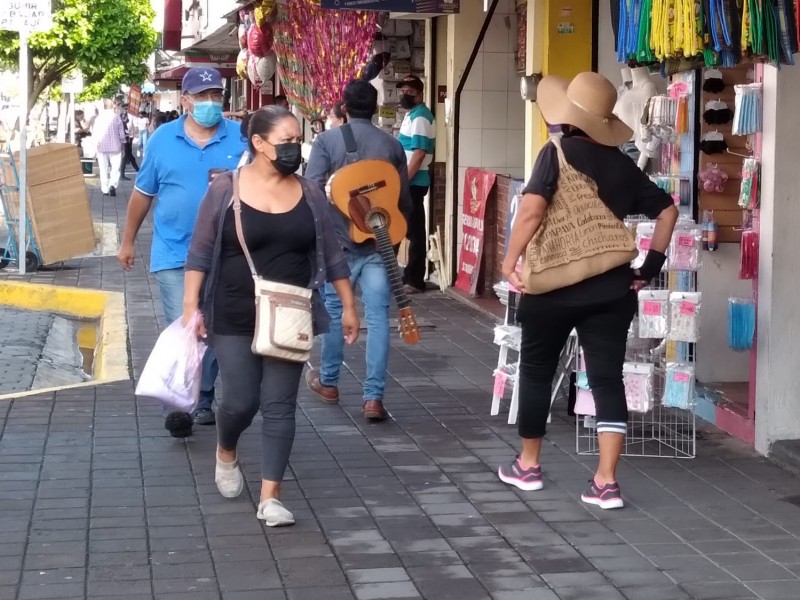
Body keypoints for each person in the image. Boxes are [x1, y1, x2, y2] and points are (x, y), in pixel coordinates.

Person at [499, 72, 679, 509]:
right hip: (612, 289)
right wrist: (649, 268)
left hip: (551, 289)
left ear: (567, 115)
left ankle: (529, 465)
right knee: (606, 380)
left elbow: (532, 211)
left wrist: (510, 261)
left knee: (538, 370)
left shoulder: (555, 152)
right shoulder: (621, 163)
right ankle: (606, 481)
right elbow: (668, 211)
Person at [183, 106, 359, 525]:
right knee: (240, 401)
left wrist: (348, 304)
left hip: (292, 314)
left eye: (298, 140)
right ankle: (227, 449)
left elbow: (332, 254)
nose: (294, 148)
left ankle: (271, 497)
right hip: (233, 311)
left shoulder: (311, 193)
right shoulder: (225, 189)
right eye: (285, 141)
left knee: (280, 404)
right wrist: (192, 306)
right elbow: (201, 251)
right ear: (258, 143)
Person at [118, 68, 247, 437]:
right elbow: (144, 193)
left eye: (216, 96)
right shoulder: (162, 139)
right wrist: (127, 240)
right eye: (202, 96)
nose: (210, 103)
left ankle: (202, 395)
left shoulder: (239, 139)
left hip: (230, 253)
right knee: (187, 325)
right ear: (186, 101)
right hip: (176, 252)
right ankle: (178, 405)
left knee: (217, 327)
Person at [304, 79, 412, 422]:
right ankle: (373, 398)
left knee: (335, 310)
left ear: (344, 108)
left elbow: (312, 190)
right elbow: (402, 200)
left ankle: (330, 381)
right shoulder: (391, 145)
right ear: (377, 108)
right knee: (379, 317)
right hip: (380, 244)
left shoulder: (327, 141)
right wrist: (388, 234)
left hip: (338, 242)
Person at [396, 75, 435, 294]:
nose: (405, 96)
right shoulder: (412, 115)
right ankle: (410, 275)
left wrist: (403, 181)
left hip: (414, 181)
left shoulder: (421, 117)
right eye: (402, 92)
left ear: (420, 94)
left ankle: (415, 279)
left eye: (410, 92)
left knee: (414, 230)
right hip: (411, 181)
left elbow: (419, 154)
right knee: (411, 228)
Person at [92, 99, 126, 197]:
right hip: (116, 146)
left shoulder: (99, 118)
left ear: (104, 106)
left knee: (103, 168)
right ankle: (113, 185)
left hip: (101, 146)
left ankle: (105, 189)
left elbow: (95, 134)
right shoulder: (116, 117)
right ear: (113, 106)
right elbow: (121, 134)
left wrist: (95, 147)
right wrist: (123, 145)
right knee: (115, 168)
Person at [118, 104, 140, 180]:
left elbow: (135, 126)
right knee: (126, 155)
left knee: (129, 155)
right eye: (124, 108)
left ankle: (138, 170)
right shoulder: (120, 115)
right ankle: (122, 174)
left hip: (129, 137)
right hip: (124, 138)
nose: (126, 110)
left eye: (127, 108)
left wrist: (134, 134)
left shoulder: (131, 115)